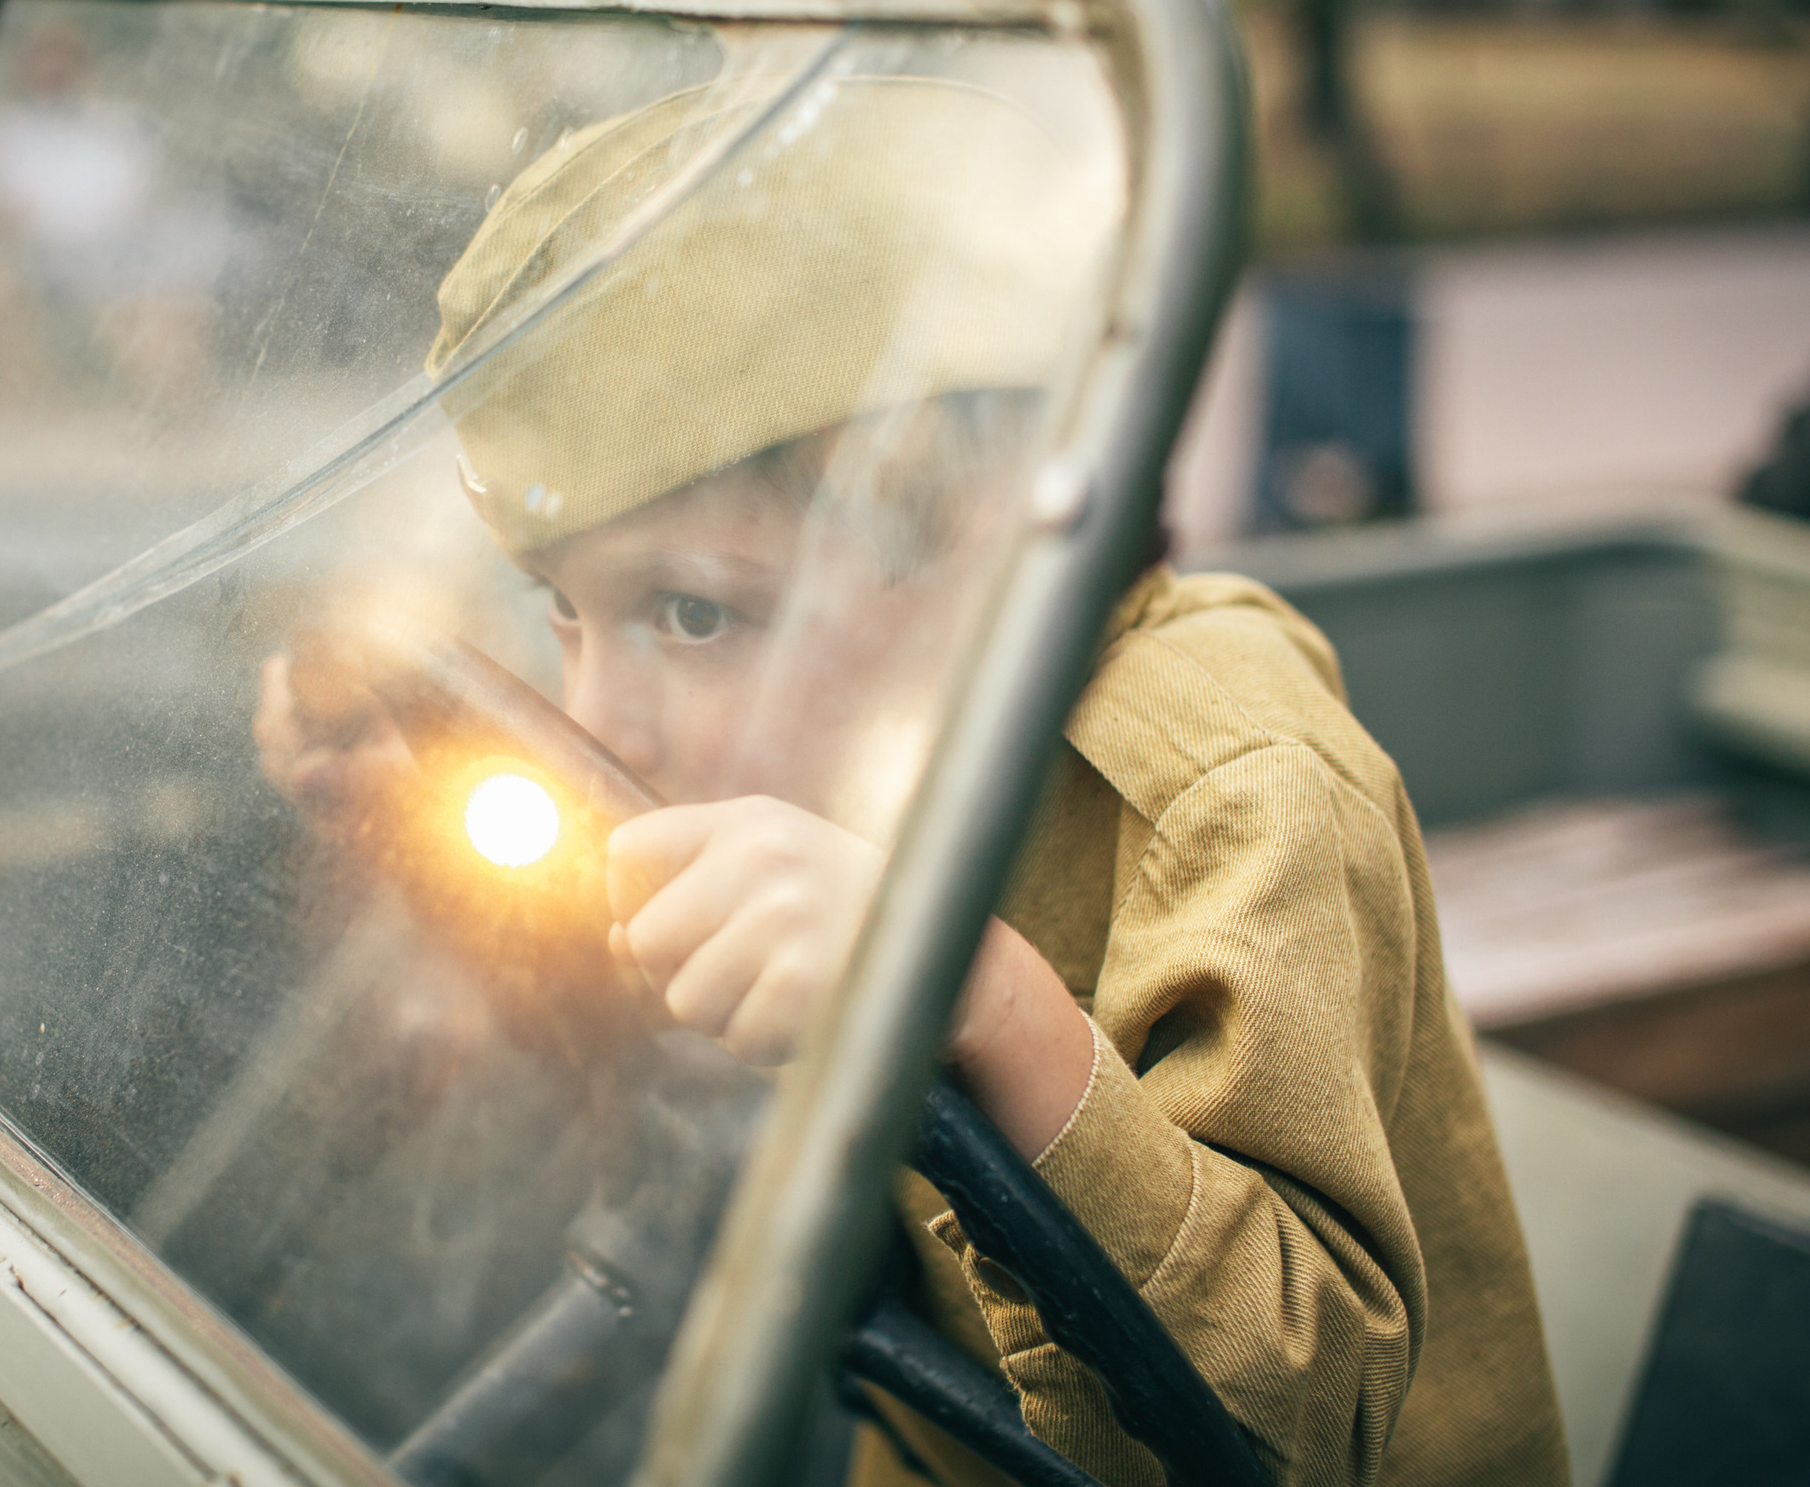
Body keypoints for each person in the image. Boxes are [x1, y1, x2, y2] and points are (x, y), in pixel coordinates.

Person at [258, 73, 1568, 1486]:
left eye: (694, 613)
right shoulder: (811, 735)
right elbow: (651, 1011)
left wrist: (969, 998)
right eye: (562, 608)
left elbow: (1301, 1416)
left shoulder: (1234, 790)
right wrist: (417, 802)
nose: (600, 715)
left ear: (995, 547)